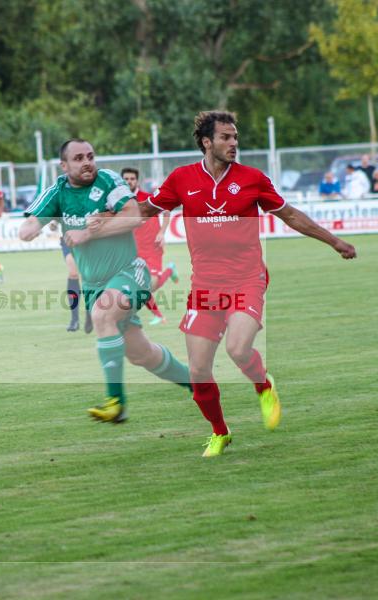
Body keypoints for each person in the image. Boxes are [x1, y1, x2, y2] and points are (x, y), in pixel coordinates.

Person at [139, 110, 357, 457]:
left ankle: (263, 385)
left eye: (236, 137)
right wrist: (101, 226)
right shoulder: (182, 179)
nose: (234, 143)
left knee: (238, 349)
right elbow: (144, 211)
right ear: (207, 142)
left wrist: (334, 241)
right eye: (226, 137)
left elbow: (290, 215)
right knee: (198, 371)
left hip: (246, 278)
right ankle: (220, 432)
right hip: (206, 286)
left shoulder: (252, 179)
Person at [19, 138, 193, 424]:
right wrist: (33, 227)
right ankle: (199, 386)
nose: (87, 162)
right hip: (94, 285)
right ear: (64, 165)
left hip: (130, 272)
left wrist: (89, 233)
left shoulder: (109, 180)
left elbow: (134, 216)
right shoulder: (57, 192)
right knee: (142, 355)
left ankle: (116, 404)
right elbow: (26, 230)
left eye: (90, 155)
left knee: (102, 314)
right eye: (78, 158)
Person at [121, 167, 179, 325]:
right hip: (133, 251)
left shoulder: (148, 198)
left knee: (149, 286)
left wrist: (162, 232)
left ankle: (169, 270)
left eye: (132, 179)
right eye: (126, 179)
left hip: (152, 247)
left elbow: (166, 210)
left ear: (137, 181)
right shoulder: (120, 202)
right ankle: (159, 316)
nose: (129, 182)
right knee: (139, 286)